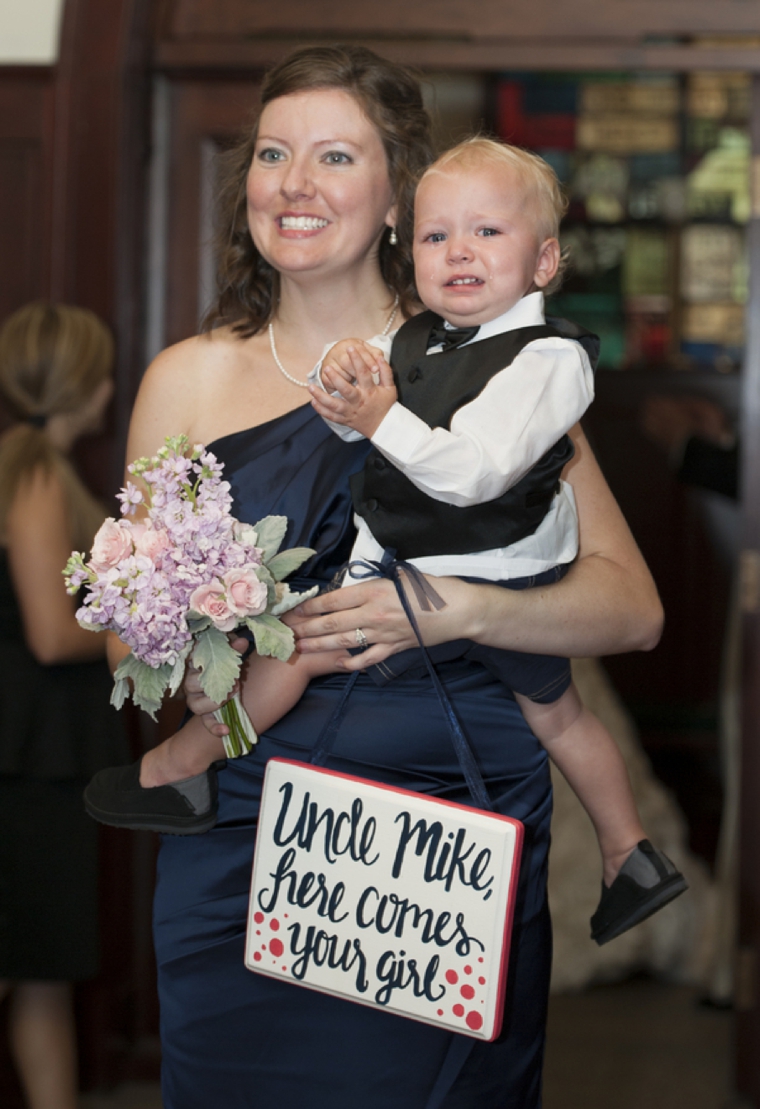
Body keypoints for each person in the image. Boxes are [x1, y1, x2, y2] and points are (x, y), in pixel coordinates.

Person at [87, 45, 663, 1108]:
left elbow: (631, 608)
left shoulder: (481, 364)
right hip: (250, 829)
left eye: (334, 155)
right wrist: (223, 631)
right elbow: (135, 648)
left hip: (446, 824)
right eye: (271, 154)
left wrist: (451, 610)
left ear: (398, 193)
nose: (294, 183)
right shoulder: (185, 377)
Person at [0, 302, 127, 1109]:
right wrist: (139, 633)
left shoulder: (29, 462)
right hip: (27, 759)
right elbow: (51, 635)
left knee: (41, 966)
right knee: (25, 964)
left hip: (34, 751)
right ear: (88, 385)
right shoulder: (36, 471)